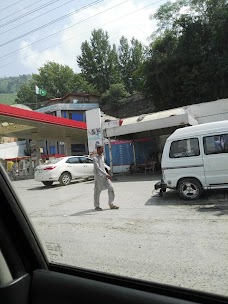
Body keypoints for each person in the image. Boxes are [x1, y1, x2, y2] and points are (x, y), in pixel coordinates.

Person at [93, 144, 119, 211]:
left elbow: (103, 164)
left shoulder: (102, 157)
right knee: (97, 192)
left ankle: (111, 204)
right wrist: (106, 174)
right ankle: (97, 206)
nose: (102, 150)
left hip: (105, 176)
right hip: (98, 178)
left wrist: (108, 169)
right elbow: (98, 168)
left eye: (103, 149)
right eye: (101, 149)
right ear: (98, 149)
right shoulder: (95, 158)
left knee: (111, 187)